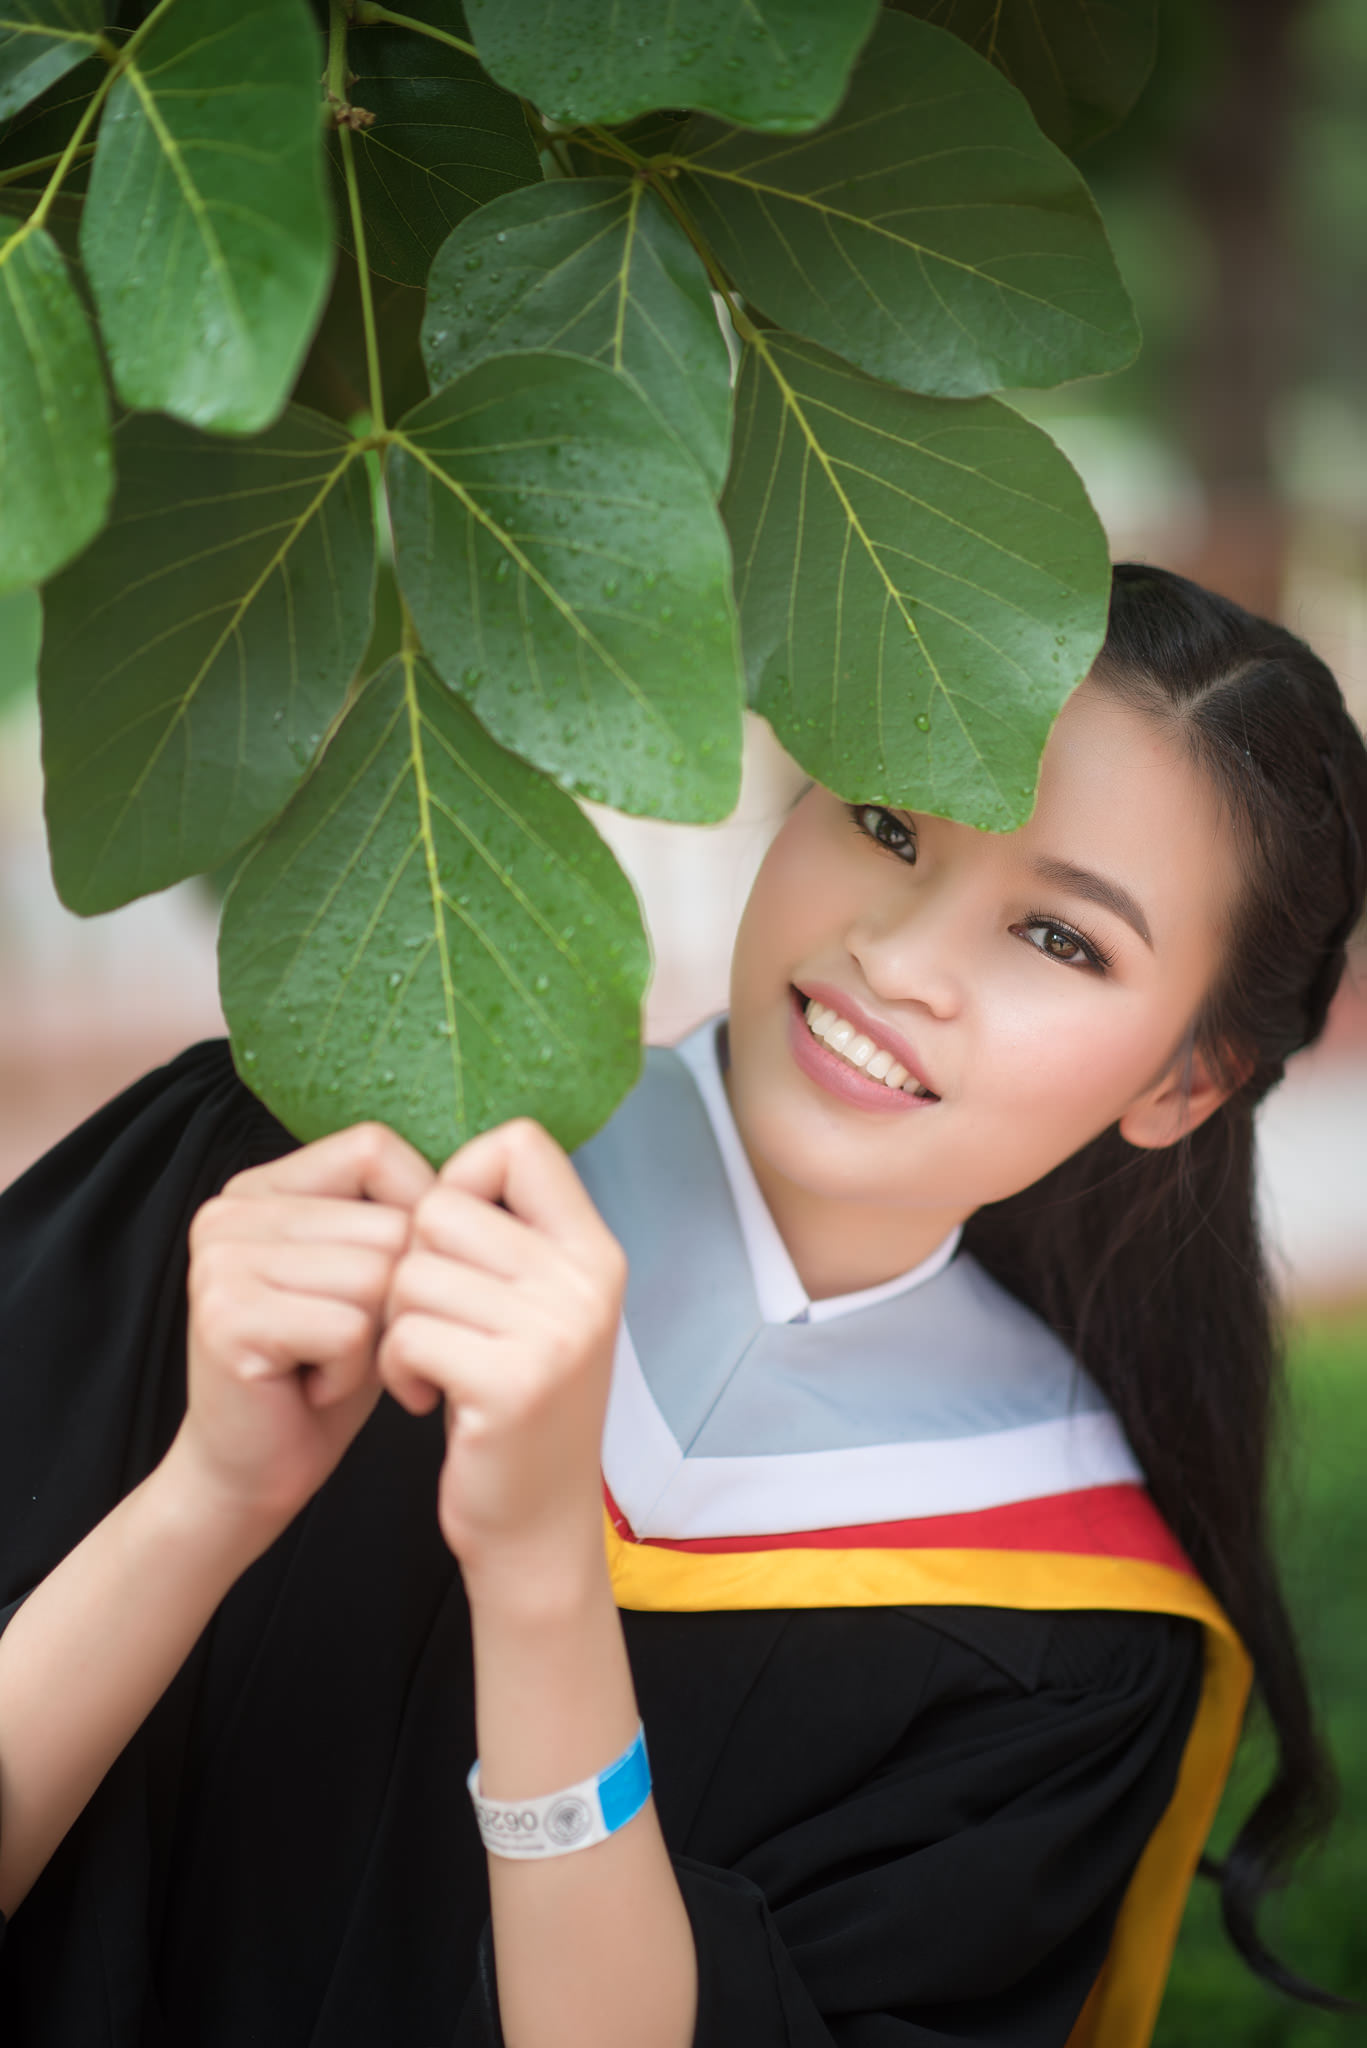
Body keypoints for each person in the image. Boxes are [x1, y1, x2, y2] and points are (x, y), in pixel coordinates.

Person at [0, 563, 1363, 2048]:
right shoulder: (303, 1174)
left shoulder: (1075, 1645)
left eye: (1061, 939)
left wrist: (540, 1582)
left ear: (1185, 1082)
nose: (898, 958)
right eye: (887, 821)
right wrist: (207, 1496)